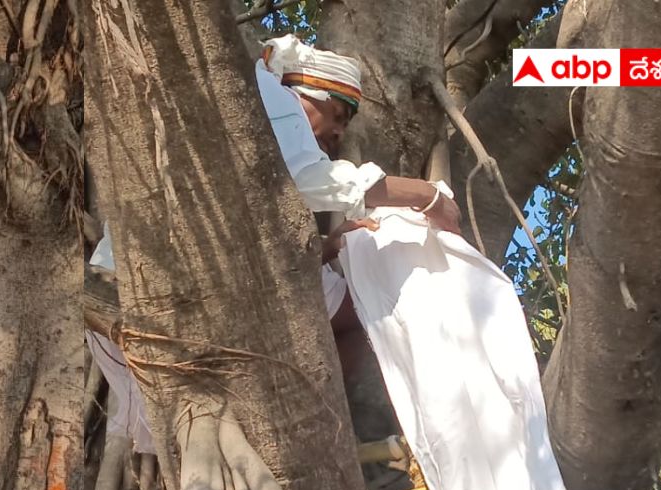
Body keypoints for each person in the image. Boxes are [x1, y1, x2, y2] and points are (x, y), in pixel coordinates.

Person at [86, 35, 464, 451]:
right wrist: (425, 196)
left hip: (131, 288)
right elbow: (312, 178)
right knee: (362, 310)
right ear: (305, 94)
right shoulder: (275, 98)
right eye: (337, 114)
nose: (338, 132)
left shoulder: (251, 103)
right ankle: (317, 430)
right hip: (164, 289)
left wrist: (322, 247)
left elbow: (243, 222)